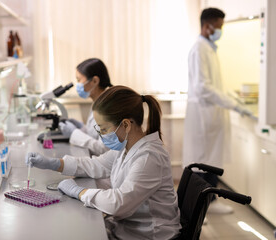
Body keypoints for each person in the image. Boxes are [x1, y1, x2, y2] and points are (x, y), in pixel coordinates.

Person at [26, 86, 181, 239]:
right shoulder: (127, 146)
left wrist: (78, 192)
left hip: (148, 235)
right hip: (128, 227)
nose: (102, 135)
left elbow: (119, 203)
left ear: (126, 125)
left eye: (104, 129)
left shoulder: (149, 158)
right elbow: (97, 165)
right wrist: (53, 163)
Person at [183, 8, 252, 214]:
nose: (220, 31)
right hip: (203, 115)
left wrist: (233, 98)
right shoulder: (199, 49)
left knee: (211, 160)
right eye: (219, 27)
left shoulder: (209, 48)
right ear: (207, 26)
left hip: (210, 115)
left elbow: (216, 85)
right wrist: (233, 104)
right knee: (203, 161)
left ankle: (210, 201)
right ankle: (200, 204)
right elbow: (204, 88)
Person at [59, 58, 111, 156]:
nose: (77, 85)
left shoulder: (108, 108)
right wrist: (82, 127)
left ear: (95, 81)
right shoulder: (97, 101)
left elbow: (103, 149)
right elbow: (94, 134)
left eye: (79, 80)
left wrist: (74, 133)